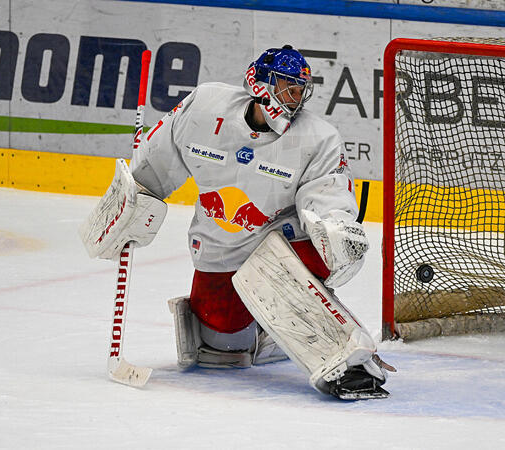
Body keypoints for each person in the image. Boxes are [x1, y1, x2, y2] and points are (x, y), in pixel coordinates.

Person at [81, 45, 392, 399]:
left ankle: (347, 361)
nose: (296, 96)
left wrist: (336, 226)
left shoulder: (317, 138)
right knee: (222, 346)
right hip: (221, 248)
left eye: (300, 88)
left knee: (272, 271)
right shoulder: (204, 107)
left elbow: (327, 194)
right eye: (288, 86)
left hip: (288, 246)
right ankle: (269, 331)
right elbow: (152, 169)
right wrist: (127, 210)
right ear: (260, 84)